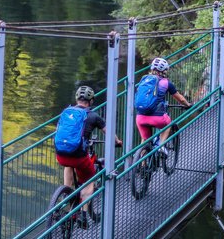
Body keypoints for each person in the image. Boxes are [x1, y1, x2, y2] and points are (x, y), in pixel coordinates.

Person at [54, 86, 121, 222]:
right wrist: (117, 141)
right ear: (90, 101)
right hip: (79, 157)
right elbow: (108, 133)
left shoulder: (66, 112)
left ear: (77, 99)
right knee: (90, 180)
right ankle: (83, 216)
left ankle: (66, 195)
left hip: (60, 154)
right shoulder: (93, 116)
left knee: (68, 164)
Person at [134, 58, 191, 154]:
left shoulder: (144, 80)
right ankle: (161, 145)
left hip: (140, 117)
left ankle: (142, 165)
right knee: (168, 123)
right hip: (157, 118)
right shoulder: (166, 83)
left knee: (145, 140)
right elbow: (180, 99)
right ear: (164, 70)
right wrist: (188, 104)